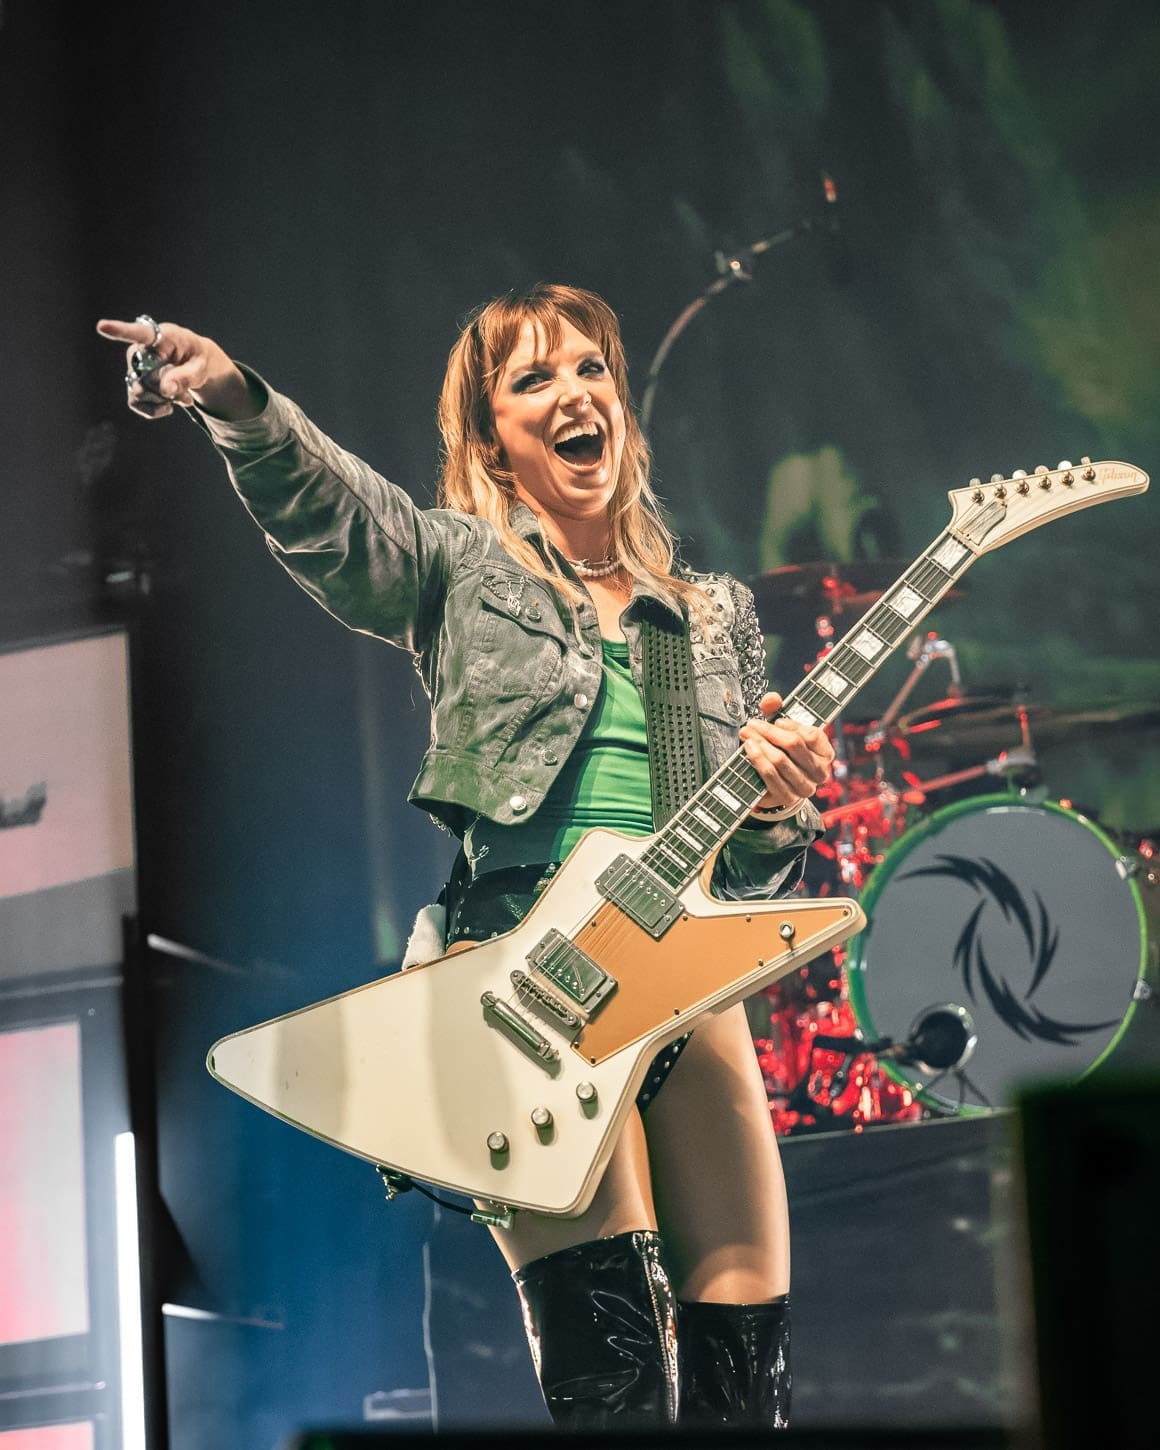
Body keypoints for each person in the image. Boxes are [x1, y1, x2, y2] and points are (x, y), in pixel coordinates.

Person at [98, 286, 835, 1429]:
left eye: (587, 368)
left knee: (747, 1379)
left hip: (685, 975)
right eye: (531, 378)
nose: (570, 393)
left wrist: (781, 809)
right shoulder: (465, 570)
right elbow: (336, 515)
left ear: (619, 404)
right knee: (622, 1372)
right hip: (531, 981)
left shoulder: (709, 617)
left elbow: (741, 880)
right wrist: (236, 399)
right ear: (493, 435)